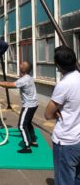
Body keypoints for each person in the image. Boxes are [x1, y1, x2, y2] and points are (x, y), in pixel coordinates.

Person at [45, 46, 80, 185]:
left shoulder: (64, 84)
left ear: (58, 65)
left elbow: (48, 114)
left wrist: (56, 113)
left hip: (66, 141)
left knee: (64, 180)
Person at [0, 61, 38, 153]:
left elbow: (9, 85)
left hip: (29, 105)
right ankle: (33, 141)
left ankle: (27, 147)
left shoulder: (23, 80)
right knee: (28, 124)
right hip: (34, 104)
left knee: (21, 126)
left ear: (23, 69)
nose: (19, 65)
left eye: (21, 64)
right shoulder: (28, 77)